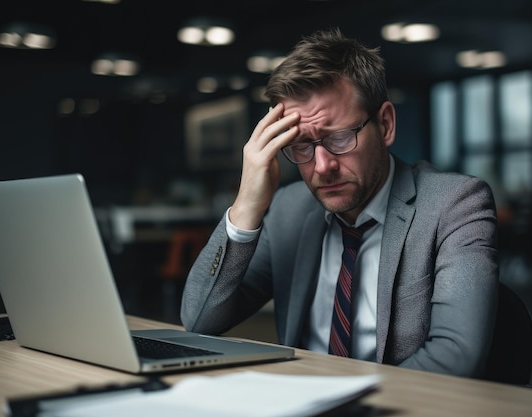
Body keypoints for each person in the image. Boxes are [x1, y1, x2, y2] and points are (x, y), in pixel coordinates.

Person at [180, 28, 499, 377]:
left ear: (386, 124)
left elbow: (456, 355)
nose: (322, 166)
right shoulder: (288, 208)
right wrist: (246, 206)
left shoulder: (455, 204)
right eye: (301, 145)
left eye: (340, 137)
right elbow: (199, 320)